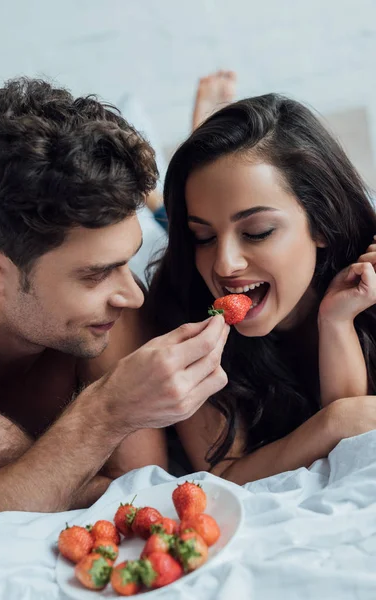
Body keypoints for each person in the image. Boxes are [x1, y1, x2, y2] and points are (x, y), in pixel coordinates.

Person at [0, 77, 229, 517]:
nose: (131, 295)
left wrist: (13, 451)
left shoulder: (113, 318)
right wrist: (105, 415)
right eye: (96, 274)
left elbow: (136, 498)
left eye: (124, 262)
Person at [146, 92, 376, 485]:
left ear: (322, 223)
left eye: (257, 232)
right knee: (166, 221)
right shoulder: (181, 305)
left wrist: (336, 321)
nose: (223, 265)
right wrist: (332, 422)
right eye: (202, 236)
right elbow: (221, 474)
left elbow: (359, 441)